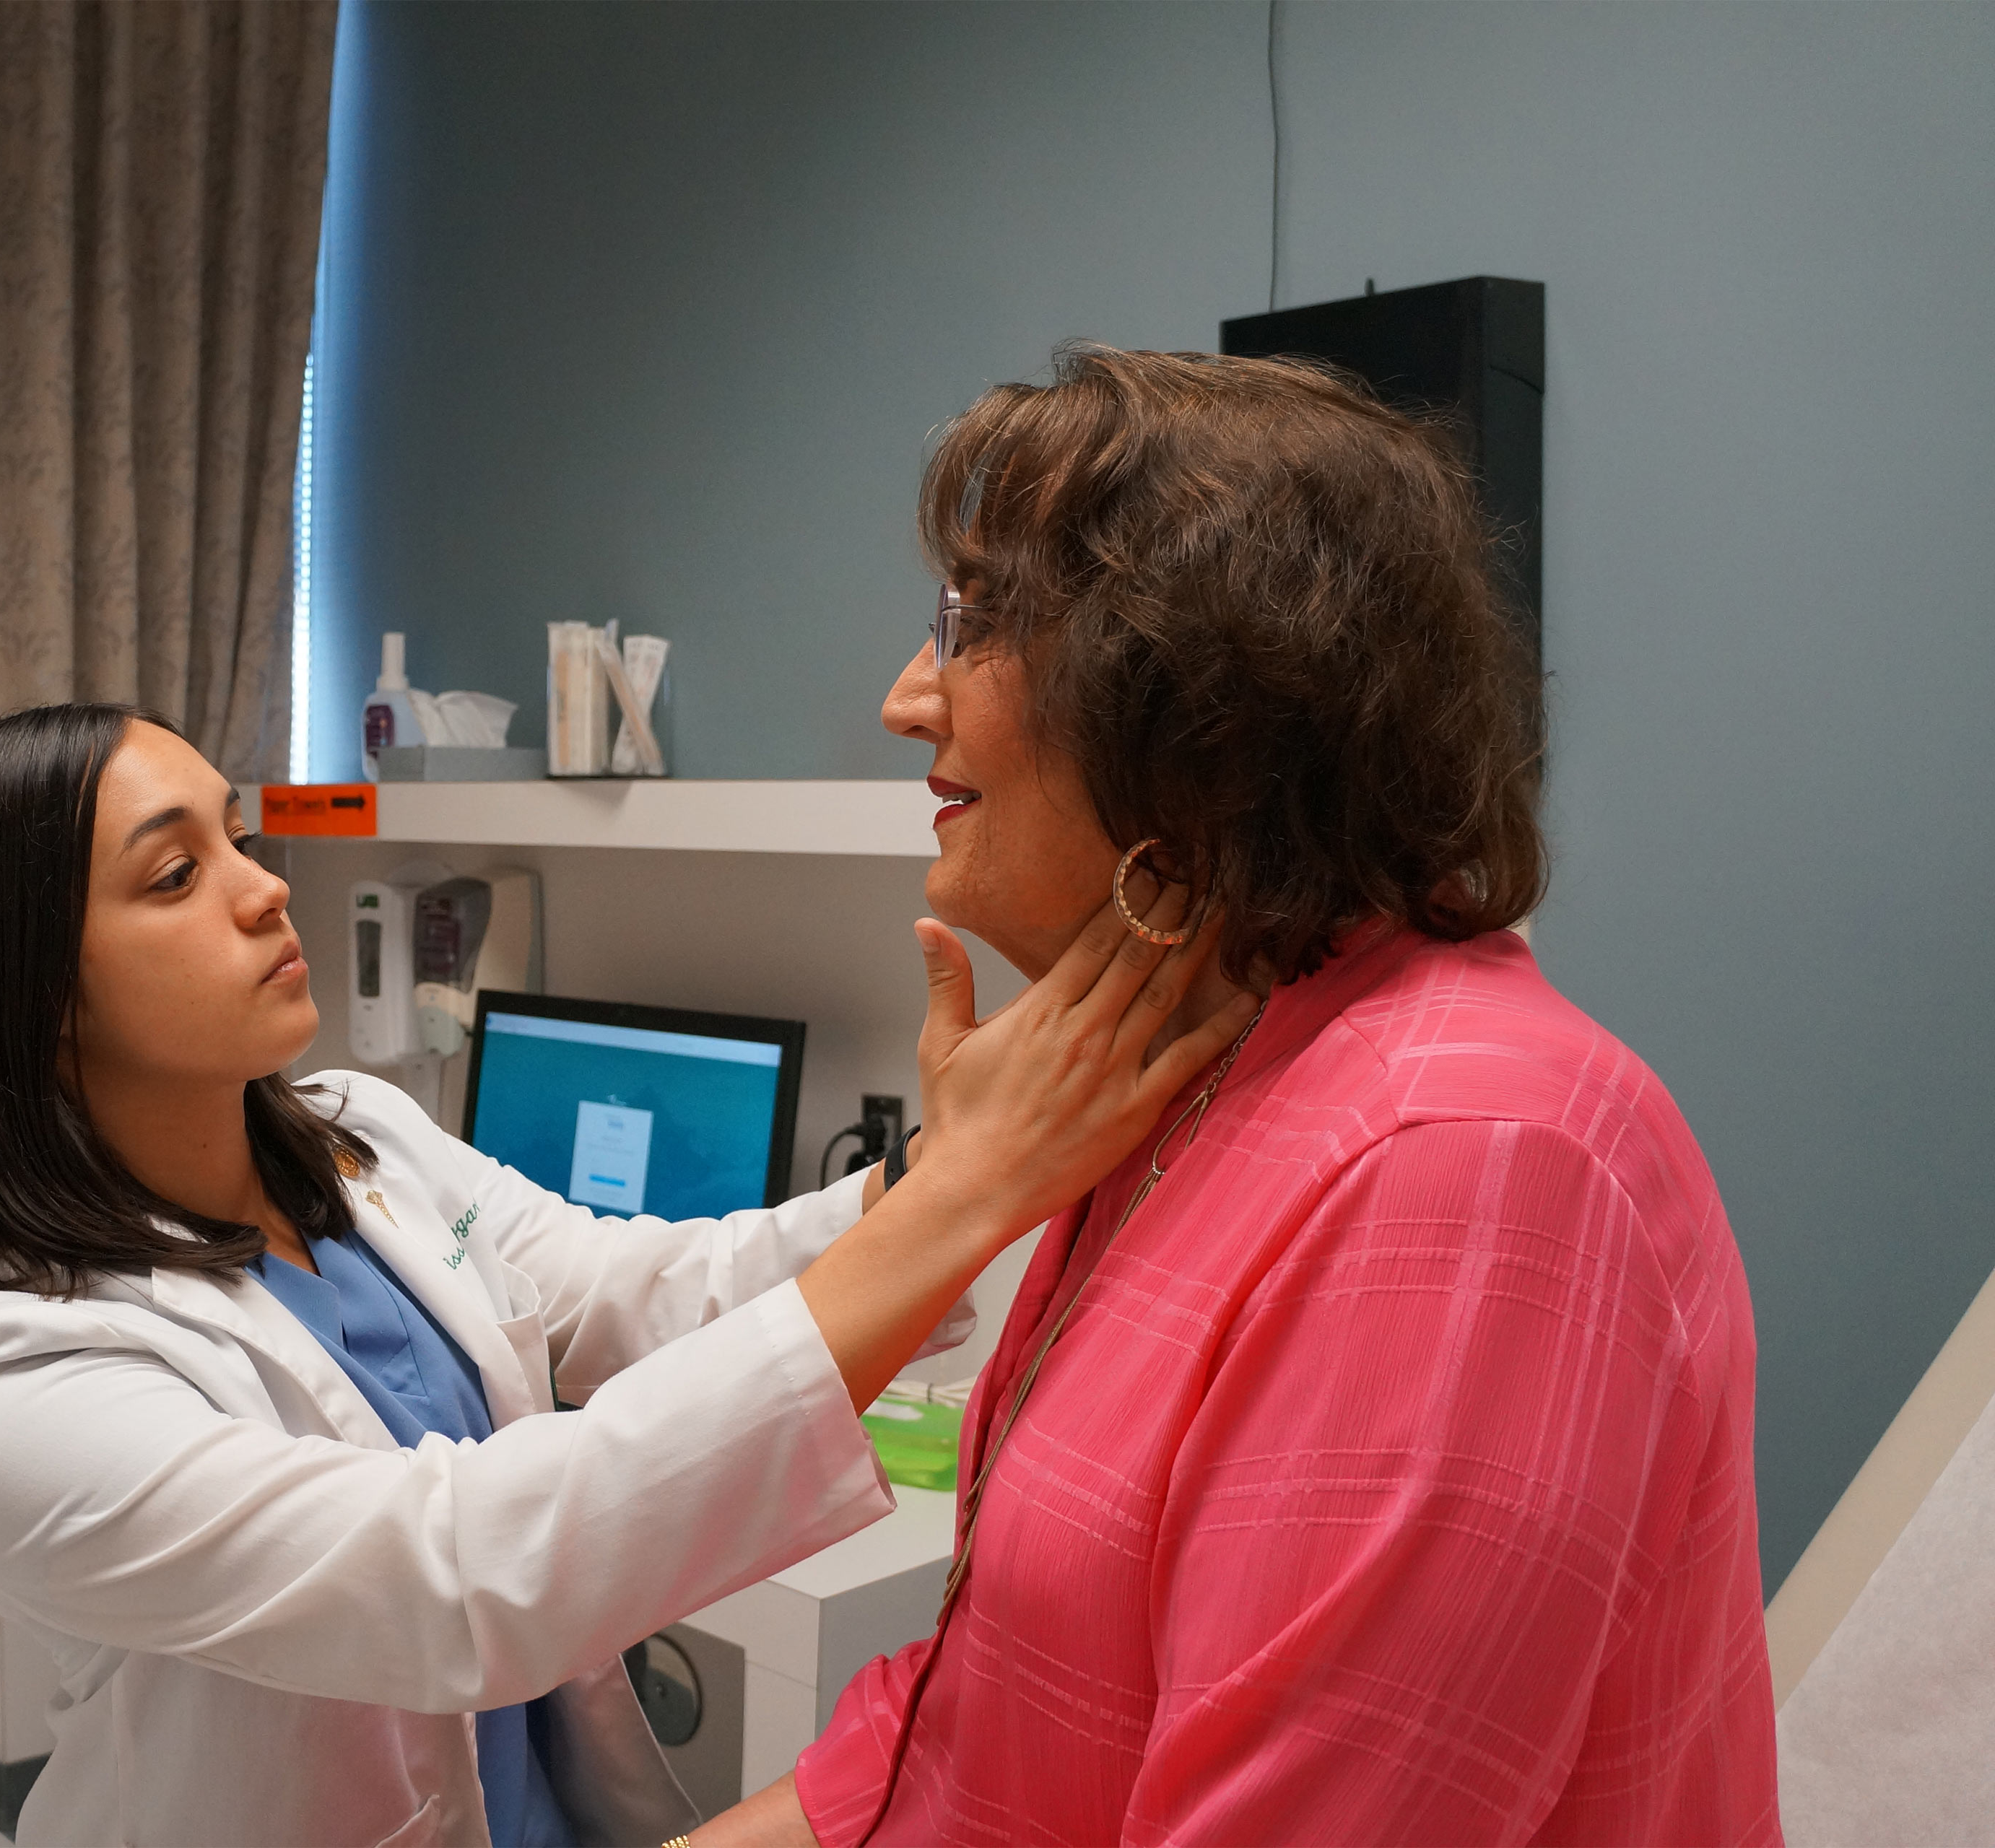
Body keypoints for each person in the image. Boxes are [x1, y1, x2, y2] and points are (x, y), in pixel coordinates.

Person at [0, 700, 1259, 1847]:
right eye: (176, 872)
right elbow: (453, 1577)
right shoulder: (23, 1373)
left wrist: (934, 1172)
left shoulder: (359, 1140)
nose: (266, 886)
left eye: (238, 833)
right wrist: (965, 1193)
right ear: (37, 997)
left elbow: (648, 1287)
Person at [697, 346, 1779, 1847]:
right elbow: (972, 1710)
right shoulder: (1191, 1085)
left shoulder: (1466, 1163)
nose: (903, 698)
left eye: (980, 621)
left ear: (1200, 698)